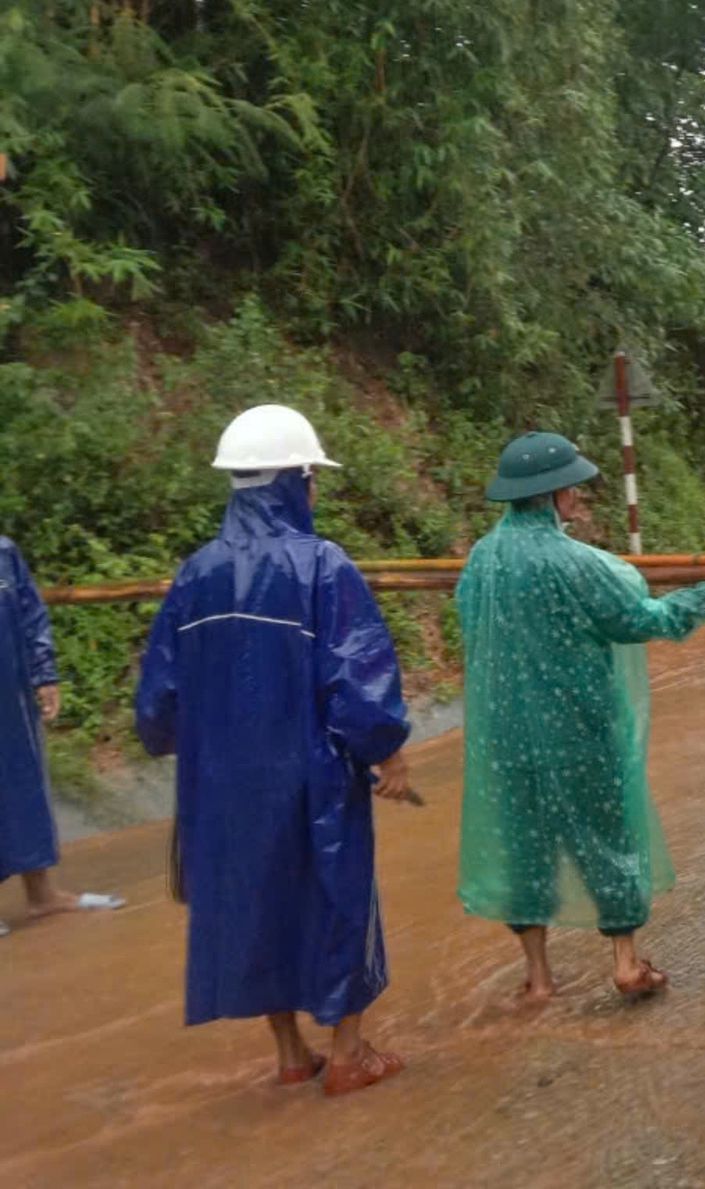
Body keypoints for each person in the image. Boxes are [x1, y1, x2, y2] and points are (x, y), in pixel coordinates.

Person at [136, 405, 412, 1096]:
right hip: (311, 774)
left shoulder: (194, 574)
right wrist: (387, 751)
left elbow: (159, 702)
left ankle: (292, 1053)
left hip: (222, 782)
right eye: (312, 477)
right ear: (296, 481)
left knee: (252, 900)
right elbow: (358, 677)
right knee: (335, 894)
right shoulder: (322, 566)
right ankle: (348, 1053)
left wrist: (194, 749)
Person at [455, 431, 705, 1001]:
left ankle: (539, 977)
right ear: (553, 495)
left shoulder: (481, 560)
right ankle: (625, 962)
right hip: (576, 728)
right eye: (572, 488)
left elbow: (469, 628)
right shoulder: (575, 563)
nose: (577, 497)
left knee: (526, 845)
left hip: (504, 735)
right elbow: (642, 620)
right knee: (605, 836)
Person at [1, 536, 124, 931]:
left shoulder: (3, 552)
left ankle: (41, 895)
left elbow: (30, 612)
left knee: (23, 780)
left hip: (9, 690)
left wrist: (44, 674)